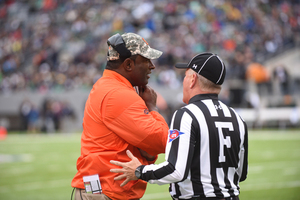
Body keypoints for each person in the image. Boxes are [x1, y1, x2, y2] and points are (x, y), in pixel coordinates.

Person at [110, 52, 248, 200]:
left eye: (185, 76)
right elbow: (241, 173)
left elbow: (175, 170)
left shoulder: (187, 114)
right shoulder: (237, 118)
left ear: (193, 79)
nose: (183, 81)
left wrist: (139, 171)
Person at [71, 32, 169, 200]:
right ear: (129, 64)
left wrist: (147, 152)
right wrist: (153, 108)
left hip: (101, 189)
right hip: (106, 192)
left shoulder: (108, 86)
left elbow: (147, 148)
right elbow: (162, 140)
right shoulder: (118, 94)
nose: (152, 66)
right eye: (146, 60)